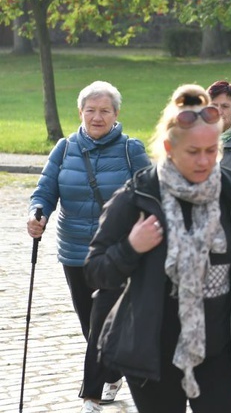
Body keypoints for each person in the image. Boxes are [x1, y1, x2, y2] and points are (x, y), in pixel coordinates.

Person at [83, 85, 231, 412]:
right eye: (193, 152)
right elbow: (96, 272)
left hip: (220, 353)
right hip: (154, 355)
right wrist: (131, 247)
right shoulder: (138, 195)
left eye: (212, 150)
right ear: (169, 148)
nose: (204, 160)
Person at [27, 81, 151, 413]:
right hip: (74, 250)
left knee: (100, 324)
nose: (97, 117)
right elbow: (45, 190)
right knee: (89, 324)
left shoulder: (130, 149)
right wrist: (36, 214)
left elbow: (152, 196)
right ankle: (113, 372)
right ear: (80, 112)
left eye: (104, 111)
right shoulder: (65, 149)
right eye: (91, 110)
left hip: (117, 254)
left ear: (116, 114)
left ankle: (91, 396)